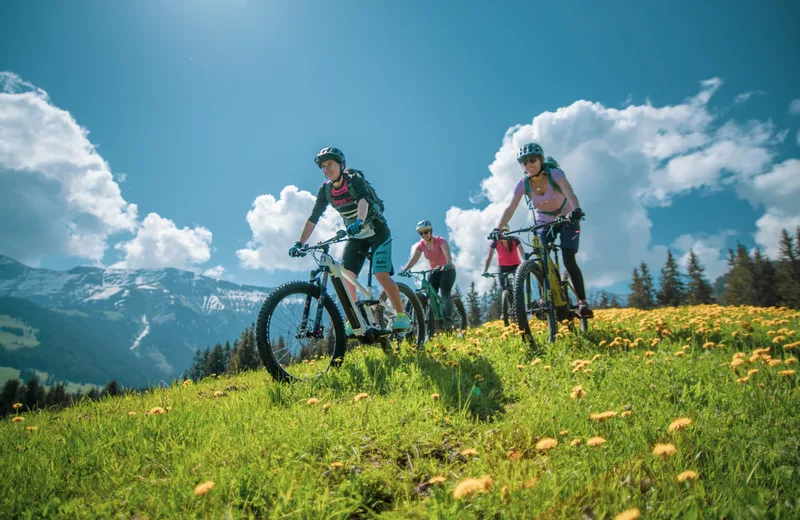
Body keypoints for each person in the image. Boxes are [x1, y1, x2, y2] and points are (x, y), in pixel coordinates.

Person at [289, 146, 411, 335]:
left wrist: (360, 221)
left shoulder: (354, 181)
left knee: (381, 275)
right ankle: (355, 319)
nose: (326, 169)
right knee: (347, 276)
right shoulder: (326, 191)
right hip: (356, 236)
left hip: (377, 232)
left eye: (330, 164)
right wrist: (300, 242)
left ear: (341, 165)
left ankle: (402, 316)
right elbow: (313, 217)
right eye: (323, 166)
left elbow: (363, 200)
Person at [487, 142, 593, 318]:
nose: (529, 164)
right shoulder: (523, 184)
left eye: (532, 160)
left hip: (567, 218)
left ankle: (582, 302)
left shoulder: (555, 174)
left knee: (568, 258)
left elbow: (569, 192)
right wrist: (497, 228)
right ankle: (547, 295)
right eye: (524, 162)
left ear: (541, 160)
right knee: (541, 255)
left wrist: (576, 210)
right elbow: (510, 207)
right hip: (544, 221)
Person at [399, 220, 457, 327]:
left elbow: (447, 255)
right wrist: (405, 269)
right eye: (421, 233)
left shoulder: (440, 241)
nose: (424, 235)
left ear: (430, 231)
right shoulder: (421, 245)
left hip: (447, 270)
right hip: (434, 271)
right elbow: (414, 259)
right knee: (429, 293)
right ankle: (434, 318)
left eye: (425, 232)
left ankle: (448, 318)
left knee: (445, 293)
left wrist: (448, 263)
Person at [481, 225, 525, 291]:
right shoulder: (495, 242)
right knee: (503, 287)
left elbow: (522, 253)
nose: (504, 234)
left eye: (506, 231)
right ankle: (506, 298)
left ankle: (520, 300)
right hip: (502, 267)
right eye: (502, 232)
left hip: (516, 266)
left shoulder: (515, 240)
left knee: (519, 286)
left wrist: (526, 261)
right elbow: (489, 257)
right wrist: (485, 270)